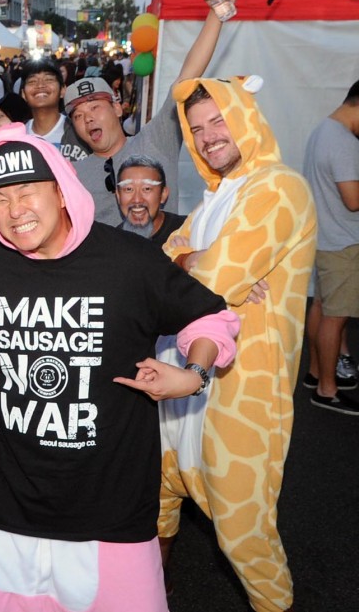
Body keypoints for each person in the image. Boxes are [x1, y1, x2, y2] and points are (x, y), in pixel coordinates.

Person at [0, 123, 239, 612]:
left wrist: (194, 375)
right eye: (1, 199)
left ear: (61, 187)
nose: (14, 212)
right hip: (4, 497)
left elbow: (211, 317)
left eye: (27, 192)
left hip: (109, 504)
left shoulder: (129, 261)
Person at [160, 76, 317, 612]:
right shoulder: (214, 198)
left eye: (219, 122)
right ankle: (147, 589)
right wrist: (193, 261)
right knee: (160, 492)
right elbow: (166, 273)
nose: (207, 138)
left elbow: (203, 282)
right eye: (197, 129)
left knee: (242, 533)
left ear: (247, 119)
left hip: (244, 389)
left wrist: (195, 264)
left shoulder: (279, 188)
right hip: (182, 378)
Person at [68, 0, 236, 226]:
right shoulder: (74, 177)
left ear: (117, 107)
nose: (88, 117)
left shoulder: (157, 139)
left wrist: (215, 14)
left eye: (94, 107)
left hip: (166, 261)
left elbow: (187, 77)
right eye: (78, 116)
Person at [302, 80, 359, 410]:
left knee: (322, 309)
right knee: (335, 318)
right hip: (342, 243)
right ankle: (326, 389)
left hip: (325, 238)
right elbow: (352, 200)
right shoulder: (342, 142)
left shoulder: (322, 130)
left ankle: (314, 373)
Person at [18, 59, 87, 162]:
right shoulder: (17, 137)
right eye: (32, 81)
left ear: (63, 90)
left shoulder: (80, 129)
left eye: (49, 79)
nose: (40, 85)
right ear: (23, 94)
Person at [113, 155, 185, 243]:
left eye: (147, 189)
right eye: (129, 189)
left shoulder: (188, 230)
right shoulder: (112, 243)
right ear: (118, 196)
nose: (137, 199)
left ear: (163, 194)